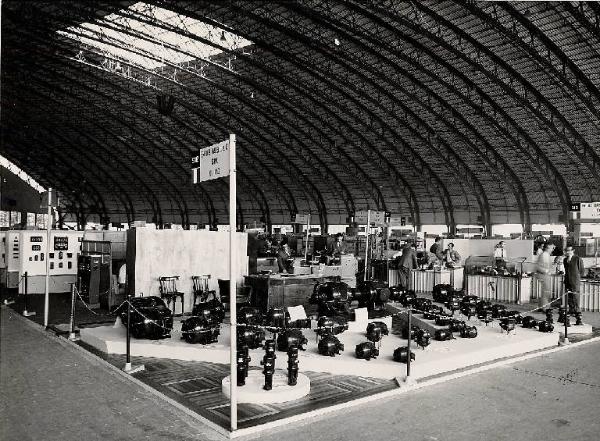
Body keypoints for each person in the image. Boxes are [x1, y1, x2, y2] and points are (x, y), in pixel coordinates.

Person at [563, 245, 585, 314]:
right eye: (566, 250)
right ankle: (571, 309)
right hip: (567, 280)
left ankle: (577, 310)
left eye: (569, 250)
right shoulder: (565, 260)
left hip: (575, 281)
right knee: (569, 296)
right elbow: (566, 270)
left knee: (576, 296)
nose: (568, 252)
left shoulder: (578, 259)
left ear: (573, 250)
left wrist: (577, 278)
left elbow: (582, 271)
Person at [536, 243, 555, 310]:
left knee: (544, 292)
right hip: (544, 276)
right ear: (548, 247)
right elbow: (539, 267)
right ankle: (545, 308)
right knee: (546, 292)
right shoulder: (544, 255)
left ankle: (541, 306)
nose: (553, 249)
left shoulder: (545, 255)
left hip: (544, 275)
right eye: (552, 248)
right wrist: (547, 271)